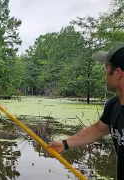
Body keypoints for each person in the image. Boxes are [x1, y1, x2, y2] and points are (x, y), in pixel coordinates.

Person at [48, 43, 124, 179]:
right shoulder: (113, 105)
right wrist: (65, 144)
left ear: (117, 73)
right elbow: (98, 130)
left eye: (106, 69)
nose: (105, 75)